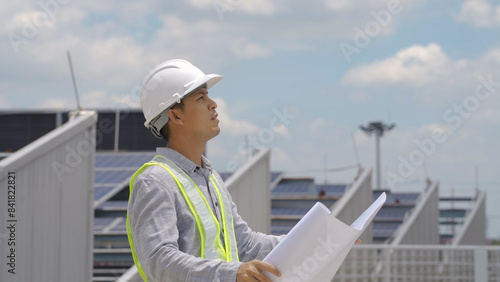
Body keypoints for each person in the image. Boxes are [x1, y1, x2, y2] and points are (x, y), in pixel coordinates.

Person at [126, 59, 283, 282]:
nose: (213, 104)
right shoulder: (156, 181)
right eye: (201, 98)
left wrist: (311, 238)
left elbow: (245, 245)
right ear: (175, 116)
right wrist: (231, 273)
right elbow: (159, 262)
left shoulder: (210, 177)